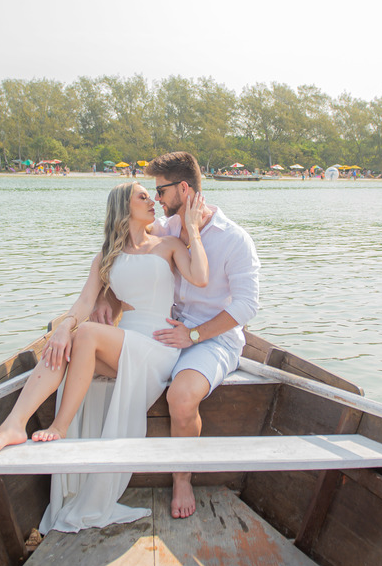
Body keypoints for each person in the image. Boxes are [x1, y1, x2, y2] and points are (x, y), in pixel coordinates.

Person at [0, 181, 209, 533]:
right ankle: (13, 425)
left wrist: (192, 228)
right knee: (66, 344)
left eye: (152, 195)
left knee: (83, 334)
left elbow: (201, 277)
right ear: (124, 207)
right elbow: (85, 303)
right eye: (143, 197)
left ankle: (60, 427)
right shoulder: (106, 256)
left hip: (157, 344)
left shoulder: (170, 245)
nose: (153, 201)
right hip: (123, 340)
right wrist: (62, 326)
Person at [97, 151, 260, 519]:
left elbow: (247, 307)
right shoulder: (165, 229)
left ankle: (182, 476)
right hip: (163, 332)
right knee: (92, 365)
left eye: (161, 190)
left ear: (183, 188)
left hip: (213, 338)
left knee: (182, 396)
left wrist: (196, 334)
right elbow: (127, 258)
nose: (155, 199)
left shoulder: (235, 239)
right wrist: (107, 298)